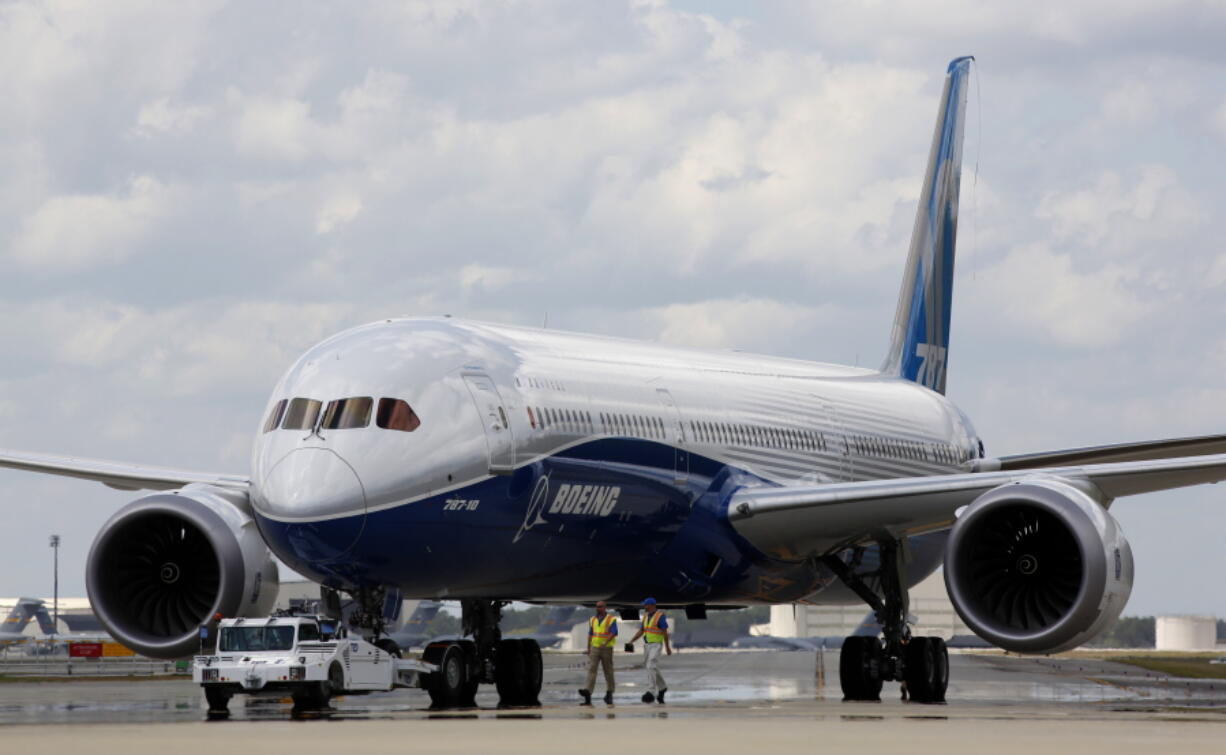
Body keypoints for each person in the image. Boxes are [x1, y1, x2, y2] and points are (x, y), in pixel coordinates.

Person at [628, 597, 671, 703]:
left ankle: (651, 691)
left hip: (656, 645)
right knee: (652, 667)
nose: (644, 607)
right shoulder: (646, 616)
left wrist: (667, 647)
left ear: (651, 605)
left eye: (646, 605)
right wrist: (631, 641)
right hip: (647, 646)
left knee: (651, 665)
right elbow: (642, 630)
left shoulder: (660, 616)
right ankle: (663, 687)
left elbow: (665, 632)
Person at [578, 601, 618, 706]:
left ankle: (609, 693)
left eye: (600, 607)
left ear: (605, 607)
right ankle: (587, 693)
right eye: (597, 607)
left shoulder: (611, 619)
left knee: (608, 671)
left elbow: (614, 632)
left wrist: (605, 642)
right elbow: (590, 634)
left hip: (607, 648)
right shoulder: (593, 619)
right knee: (591, 669)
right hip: (595, 648)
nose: (598, 608)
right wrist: (588, 648)